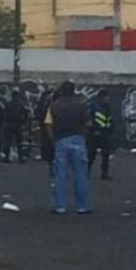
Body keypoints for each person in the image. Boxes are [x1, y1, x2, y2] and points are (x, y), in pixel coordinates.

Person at [45, 81, 91, 215]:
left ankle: (60, 206)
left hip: (61, 140)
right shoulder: (81, 106)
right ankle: (82, 206)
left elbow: (48, 124)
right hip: (78, 139)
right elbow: (88, 123)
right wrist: (83, 136)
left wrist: (53, 139)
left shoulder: (54, 106)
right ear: (74, 91)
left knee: (60, 175)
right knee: (81, 175)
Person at [87, 90, 114, 180]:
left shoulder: (107, 107)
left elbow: (109, 119)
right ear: (102, 97)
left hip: (105, 133)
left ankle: (104, 173)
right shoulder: (94, 106)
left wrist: (110, 130)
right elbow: (90, 119)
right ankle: (86, 172)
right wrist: (93, 130)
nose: (108, 99)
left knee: (105, 155)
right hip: (95, 134)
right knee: (91, 154)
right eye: (107, 97)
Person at [3, 91, 29, 163]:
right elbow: (25, 114)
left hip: (9, 124)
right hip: (17, 124)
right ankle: (21, 157)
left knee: (7, 141)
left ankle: (6, 157)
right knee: (19, 142)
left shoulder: (8, 104)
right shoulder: (20, 105)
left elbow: (4, 114)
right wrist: (23, 122)